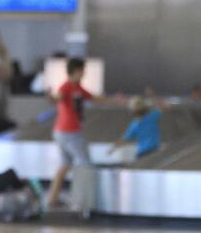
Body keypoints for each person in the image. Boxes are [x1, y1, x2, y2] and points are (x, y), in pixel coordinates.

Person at [46, 57, 125, 210]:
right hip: (69, 131)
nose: (84, 74)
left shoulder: (78, 88)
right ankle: (81, 202)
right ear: (76, 71)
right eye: (82, 71)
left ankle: (52, 198)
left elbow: (96, 98)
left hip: (62, 131)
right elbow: (57, 98)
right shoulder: (67, 86)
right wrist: (50, 96)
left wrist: (115, 99)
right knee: (85, 163)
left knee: (65, 164)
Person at [110, 95, 163, 162]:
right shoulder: (152, 116)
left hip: (142, 152)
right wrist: (152, 97)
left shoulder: (135, 124)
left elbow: (124, 139)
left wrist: (113, 148)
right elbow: (161, 108)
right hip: (154, 151)